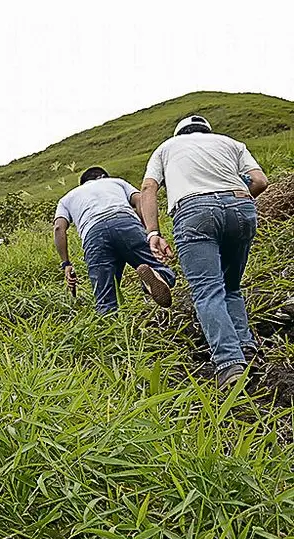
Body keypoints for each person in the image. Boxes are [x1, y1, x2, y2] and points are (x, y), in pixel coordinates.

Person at [139, 115, 270, 388]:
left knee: (208, 291)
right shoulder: (231, 143)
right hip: (240, 206)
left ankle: (230, 363)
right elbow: (259, 181)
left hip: (194, 212)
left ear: (179, 133)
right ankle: (247, 349)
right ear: (208, 130)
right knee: (231, 286)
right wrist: (232, 201)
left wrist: (153, 232)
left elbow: (148, 188)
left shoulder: (166, 148)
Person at [54, 166, 176, 314]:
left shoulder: (67, 198)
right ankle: (156, 276)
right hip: (126, 225)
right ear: (104, 177)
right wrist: (149, 233)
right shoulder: (116, 182)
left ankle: (111, 324)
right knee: (160, 269)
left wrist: (66, 264)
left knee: (105, 298)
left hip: (94, 236)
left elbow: (59, 228)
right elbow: (139, 200)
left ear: (83, 183)